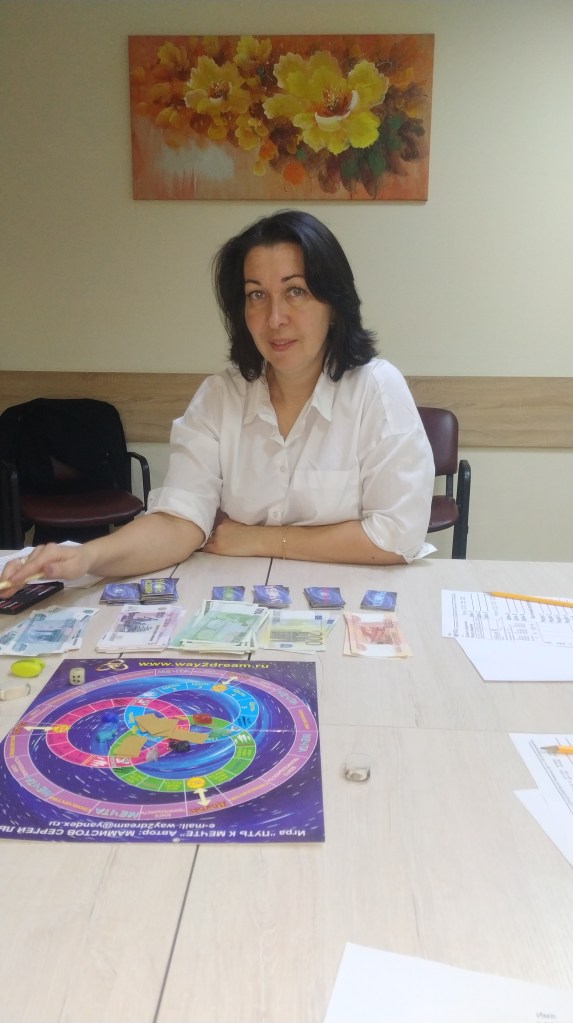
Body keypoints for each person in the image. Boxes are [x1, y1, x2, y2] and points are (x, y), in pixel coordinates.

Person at [0, 210, 435, 593]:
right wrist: (87, 557)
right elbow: (179, 522)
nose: (275, 318)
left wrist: (260, 538)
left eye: (296, 291)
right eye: (256, 295)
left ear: (334, 304)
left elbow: (397, 536)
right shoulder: (219, 397)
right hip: (239, 601)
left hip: (352, 603)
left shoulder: (377, 389)